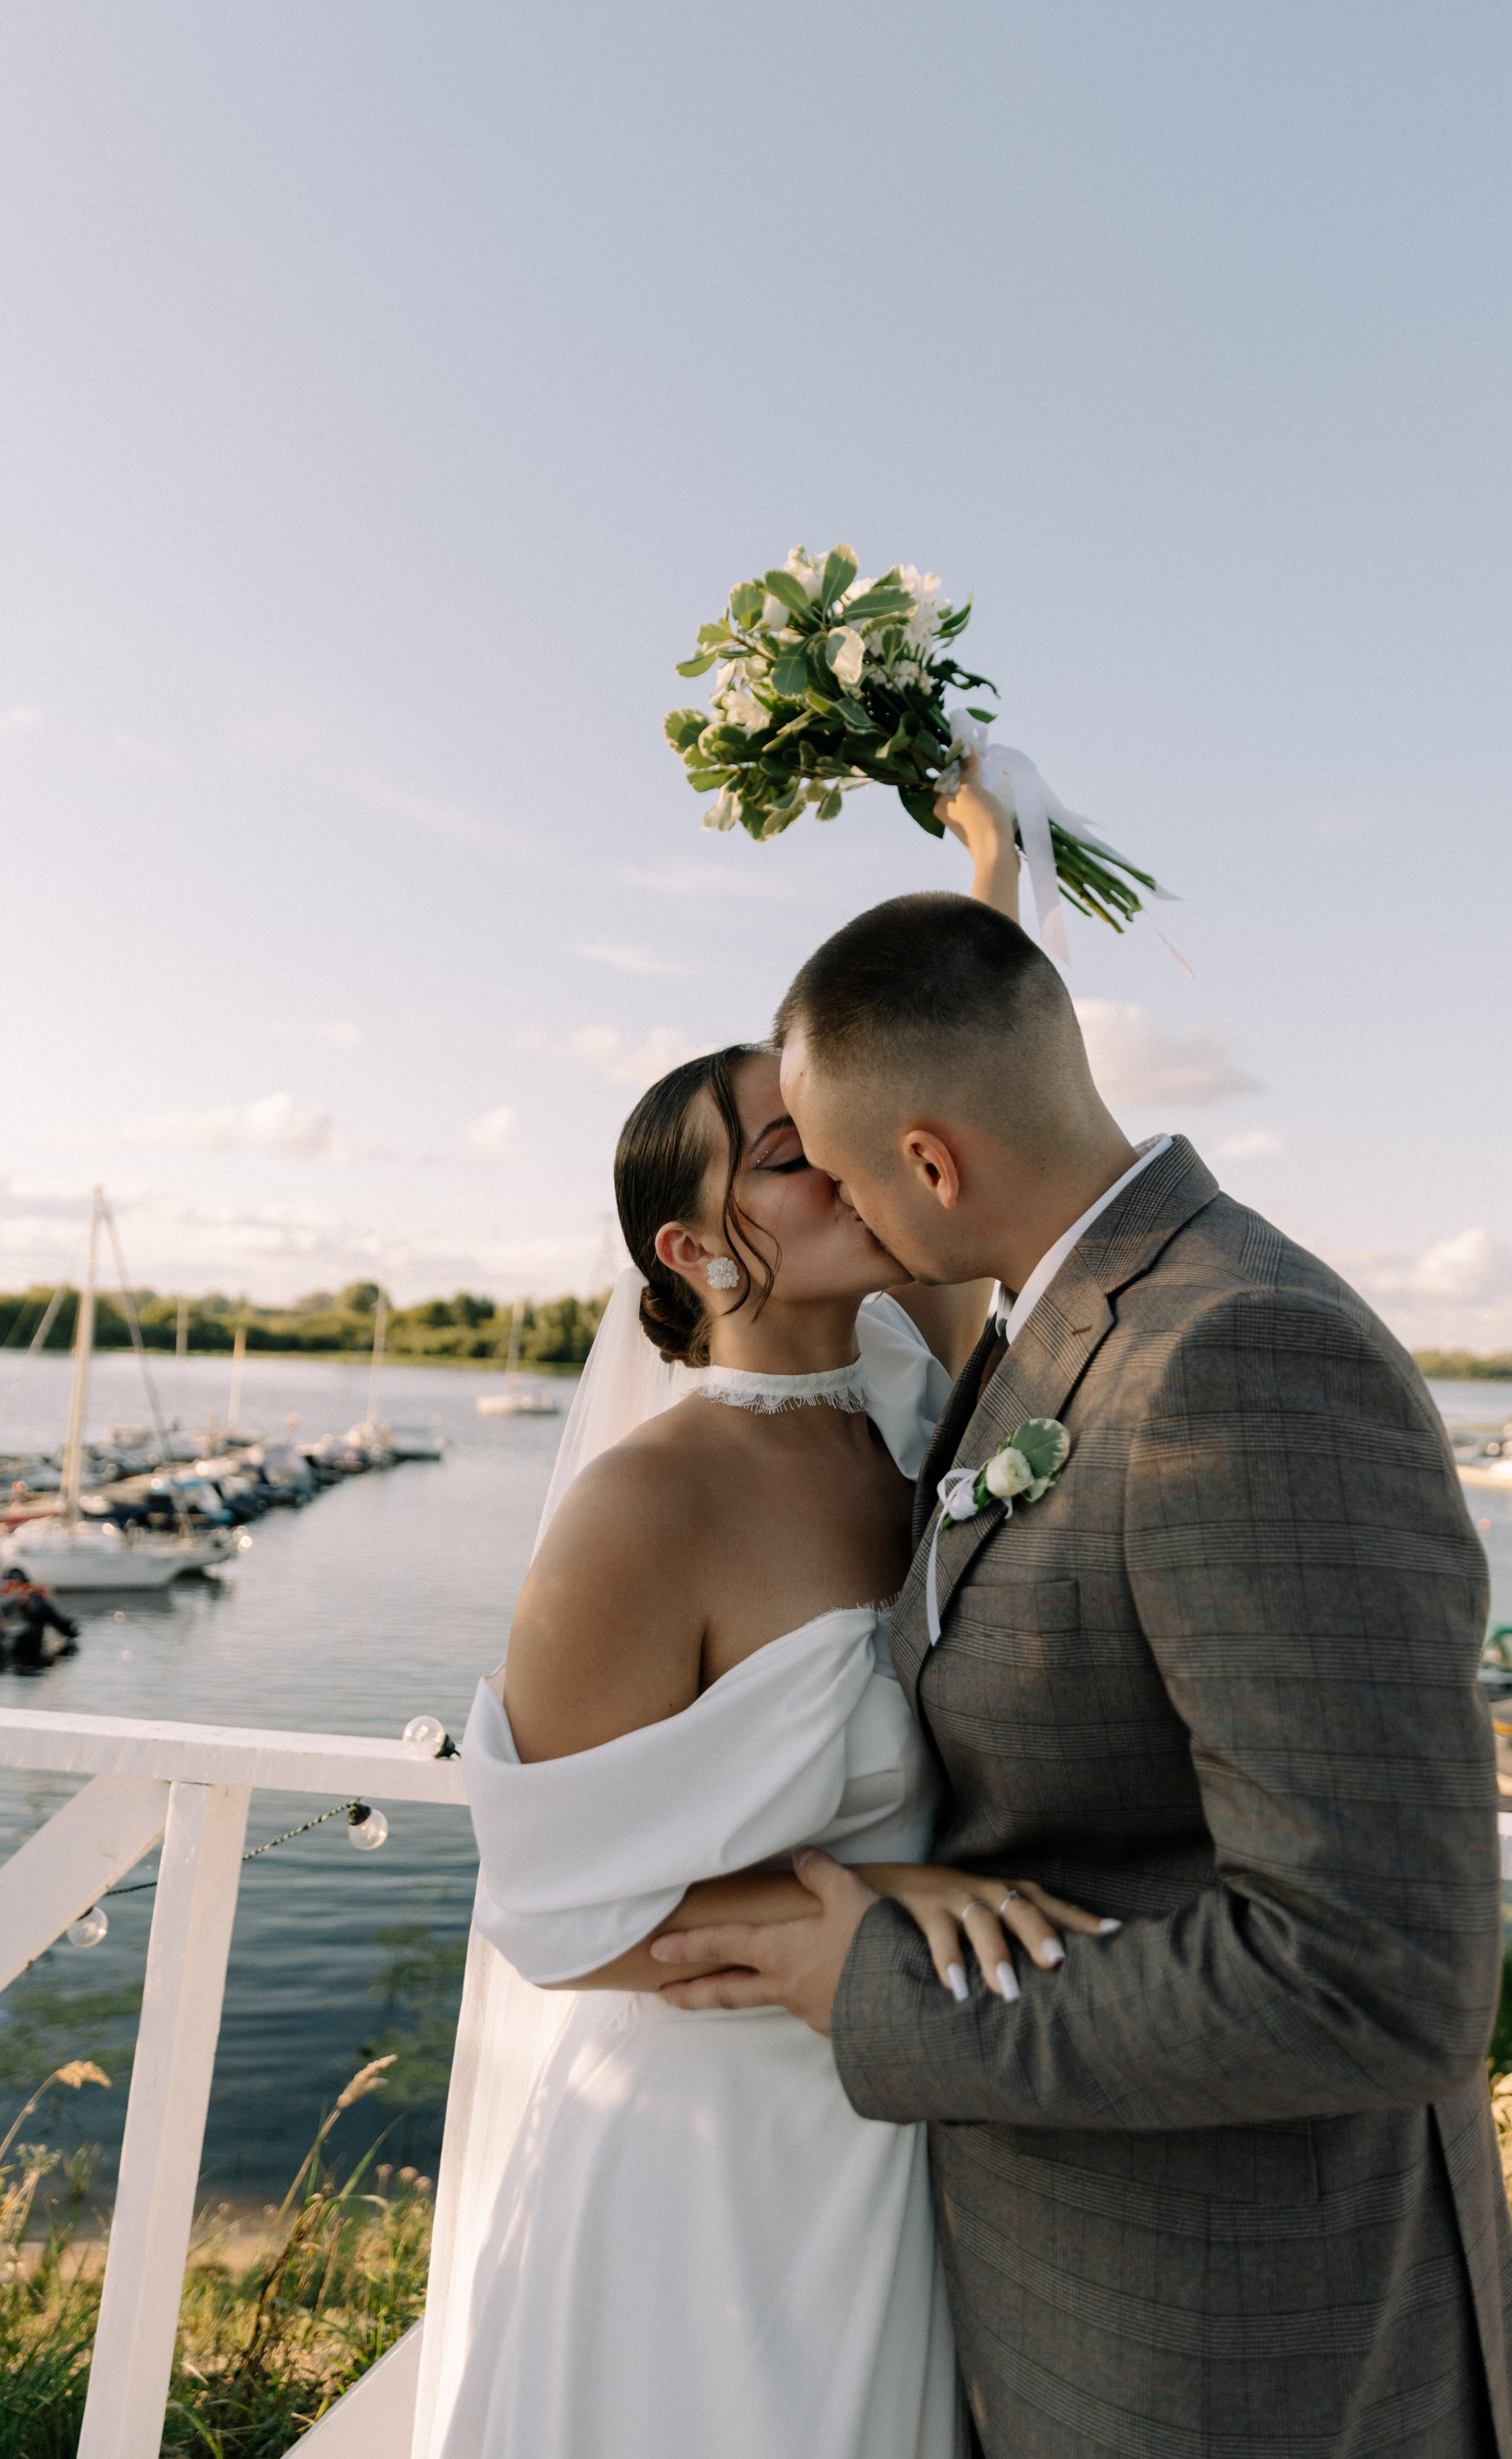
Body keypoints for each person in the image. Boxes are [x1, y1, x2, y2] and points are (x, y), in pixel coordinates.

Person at [650, 891, 1512, 2459]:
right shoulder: (1048, 1316)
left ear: (927, 1163)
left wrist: (881, 1995)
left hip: (1237, 2354)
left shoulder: (1237, 1358)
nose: (850, 1215)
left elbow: (1372, 1972)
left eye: (846, 1172)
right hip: (1069, 2308)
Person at [418, 781, 1111, 2459]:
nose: (856, 1168)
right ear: (695, 1247)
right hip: (702, 2166)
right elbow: (559, 1918)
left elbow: (958, 1102)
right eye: (797, 1158)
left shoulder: (908, 1405)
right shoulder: (646, 1509)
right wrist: (888, 1897)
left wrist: (990, 875)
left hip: (889, 2136)